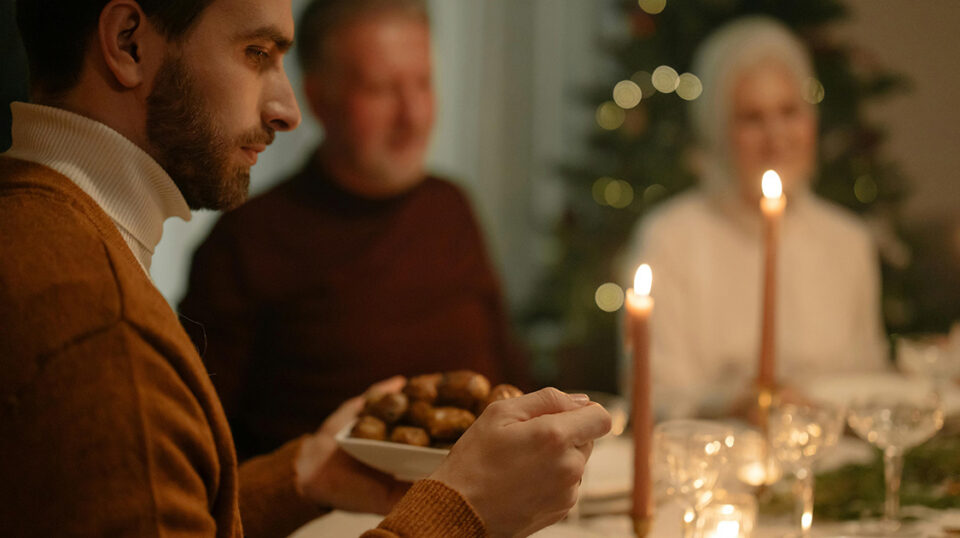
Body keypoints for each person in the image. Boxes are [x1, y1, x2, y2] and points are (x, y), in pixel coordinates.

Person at [0, 1, 611, 536]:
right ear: (128, 41)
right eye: (256, 52)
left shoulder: (41, 231)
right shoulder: (102, 325)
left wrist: (302, 477)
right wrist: (463, 512)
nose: (286, 109)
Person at [178, 0, 531, 460]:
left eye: (423, 83)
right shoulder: (247, 241)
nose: (414, 116)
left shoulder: (451, 208)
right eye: (382, 89)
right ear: (320, 99)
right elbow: (198, 446)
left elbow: (513, 374)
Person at [631, 17, 889, 420]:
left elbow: (870, 382)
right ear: (718, 129)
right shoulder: (671, 239)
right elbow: (652, 394)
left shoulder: (848, 241)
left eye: (790, 112)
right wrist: (735, 404)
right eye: (752, 118)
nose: (776, 136)